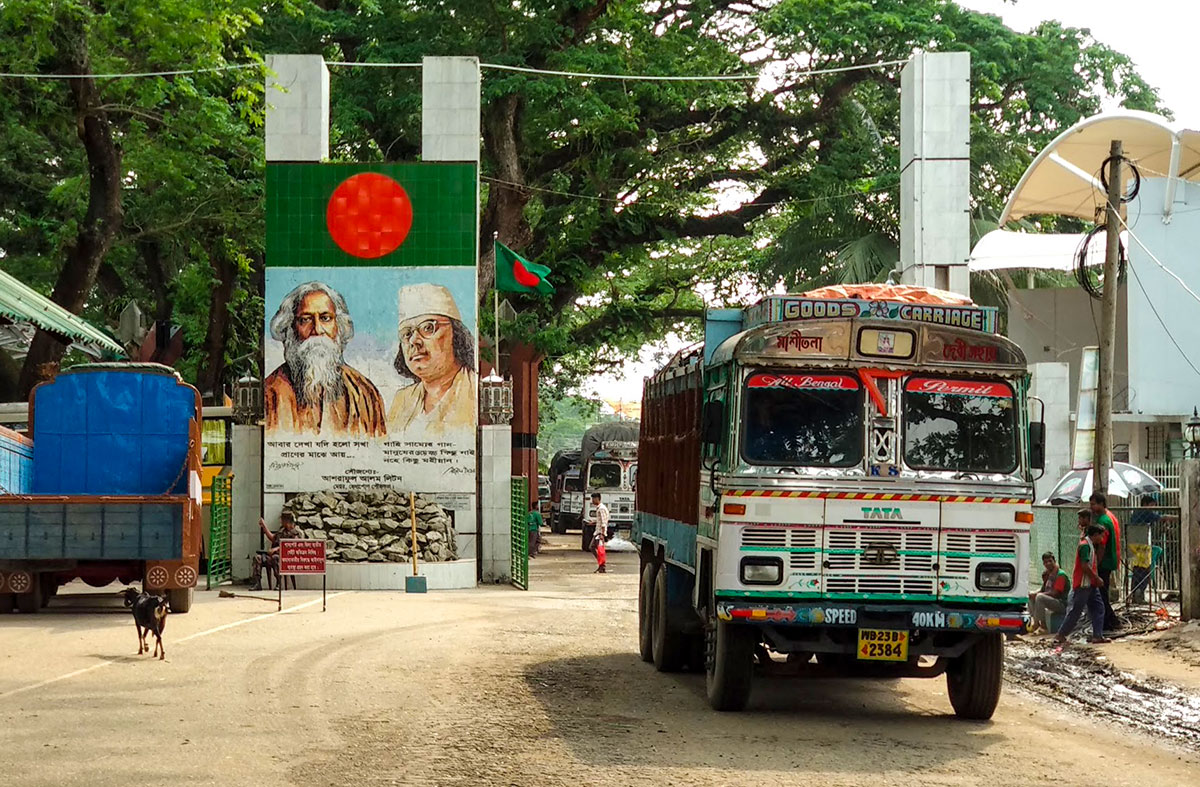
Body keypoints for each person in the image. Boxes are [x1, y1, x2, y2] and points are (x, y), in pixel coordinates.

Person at [265, 282, 387, 437]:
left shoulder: (365, 393)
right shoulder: (269, 394)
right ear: (290, 328)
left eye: (325, 318)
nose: (317, 329)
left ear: (339, 326)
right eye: (305, 320)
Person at [388, 284, 478, 436]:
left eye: (428, 328)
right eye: (407, 334)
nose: (414, 340)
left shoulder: (475, 391)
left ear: (456, 334)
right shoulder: (402, 400)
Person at [1055, 515, 1110, 645]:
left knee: (1098, 608)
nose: (1101, 539)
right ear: (1095, 535)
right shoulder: (1085, 546)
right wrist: (1096, 578)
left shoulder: (1089, 545)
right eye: (1100, 536)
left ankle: (1097, 635)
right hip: (1083, 584)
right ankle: (1060, 634)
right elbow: (1085, 566)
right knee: (1076, 611)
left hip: (1090, 584)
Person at [1088, 492, 1122, 631]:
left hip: (1105, 561)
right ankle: (1109, 622)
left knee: (1100, 595)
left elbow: (1102, 545)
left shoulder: (1103, 521)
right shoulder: (1110, 516)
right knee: (1102, 593)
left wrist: (1096, 564)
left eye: (1093, 504)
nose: (1091, 507)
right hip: (1111, 559)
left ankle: (1111, 622)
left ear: (1101, 504)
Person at [251, 511, 303, 591]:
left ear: (287, 520)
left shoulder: (296, 533)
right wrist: (264, 526)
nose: (281, 521)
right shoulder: (281, 531)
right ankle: (257, 583)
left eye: (282, 519)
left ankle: (279, 583)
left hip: (286, 558)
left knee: (276, 558)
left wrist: (277, 549)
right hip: (272, 556)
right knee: (258, 558)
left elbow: (293, 545)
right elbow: (273, 538)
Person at [1028, 551, 1070, 634]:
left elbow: (1056, 593)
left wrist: (1039, 594)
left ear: (1054, 561)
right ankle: (1036, 622)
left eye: (1050, 561)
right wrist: (1033, 594)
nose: (1048, 564)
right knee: (1030, 596)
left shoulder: (1060, 575)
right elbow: (1043, 589)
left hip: (1062, 604)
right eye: (1046, 562)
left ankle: (1043, 626)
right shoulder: (1048, 574)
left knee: (1039, 597)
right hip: (1052, 600)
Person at [588, 492, 609, 574]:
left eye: (593, 499)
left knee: (594, 548)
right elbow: (600, 521)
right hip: (598, 532)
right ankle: (601, 565)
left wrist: (602, 534)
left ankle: (602, 565)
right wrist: (593, 522)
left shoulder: (601, 509)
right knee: (594, 548)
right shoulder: (599, 508)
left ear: (597, 499)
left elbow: (604, 522)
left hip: (600, 533)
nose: (592, 501)